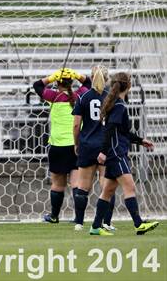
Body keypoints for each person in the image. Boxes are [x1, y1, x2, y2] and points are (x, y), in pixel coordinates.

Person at [90, 72, 159, 235]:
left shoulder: (115, 103)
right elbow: (110, 130)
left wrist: (141, 140)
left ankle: (95, 227)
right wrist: (104, 152)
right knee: (130, 187)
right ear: (128, 86)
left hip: (114, 152)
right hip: (116, 153)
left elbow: (123, 132)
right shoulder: (119, 106)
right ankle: (138, 224)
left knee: (107, 192)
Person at [33, 68, 91, 223]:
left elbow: (37, 85)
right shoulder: (80, 95)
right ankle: (79, 219)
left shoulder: (53, 96)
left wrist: (51, 77)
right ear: (71, 82)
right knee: (77, 184)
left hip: (58, 146)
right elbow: (88, 82)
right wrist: (77, 75)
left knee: (58, 184)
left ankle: (54, 216)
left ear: (58, 82)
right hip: (76, 145)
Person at [72, 65, 116, 231]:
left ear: (91, 76)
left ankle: (79, 223)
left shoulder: (83, 97)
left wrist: (77, 143)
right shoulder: (111, 98)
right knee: (106, 186)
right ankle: (106, 222)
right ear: (107, 79)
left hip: (87, 144)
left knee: (83, 185)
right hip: (105, 145)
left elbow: (76, 125)